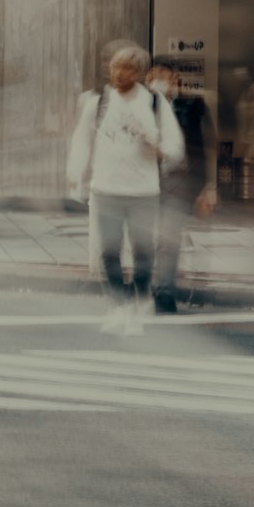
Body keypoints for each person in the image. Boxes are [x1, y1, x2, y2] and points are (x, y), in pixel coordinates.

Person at [69, 42, 182, 325]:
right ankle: (117, 305)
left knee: (143, 251)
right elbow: (81, 139)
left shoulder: (155, 103)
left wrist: (154, 145)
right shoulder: (98, 102)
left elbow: (175, 146)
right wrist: (75, 172)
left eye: (127, 68)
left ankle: (142, 294)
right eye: (115, 67)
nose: (118, 73)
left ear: (140, 73)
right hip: (105, 189)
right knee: (108, 250)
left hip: (143, 191)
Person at [147, 56, 216, 311]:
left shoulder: (192, 104)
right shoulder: (144, 104)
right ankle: (153, 287)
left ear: (174, 78)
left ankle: (164, 293)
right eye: (151, 75)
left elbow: (203, 147)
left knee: (168, 237)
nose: (155, 80)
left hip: (178, 181)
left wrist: (207, 188)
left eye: (161, 75)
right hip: (147, 181)